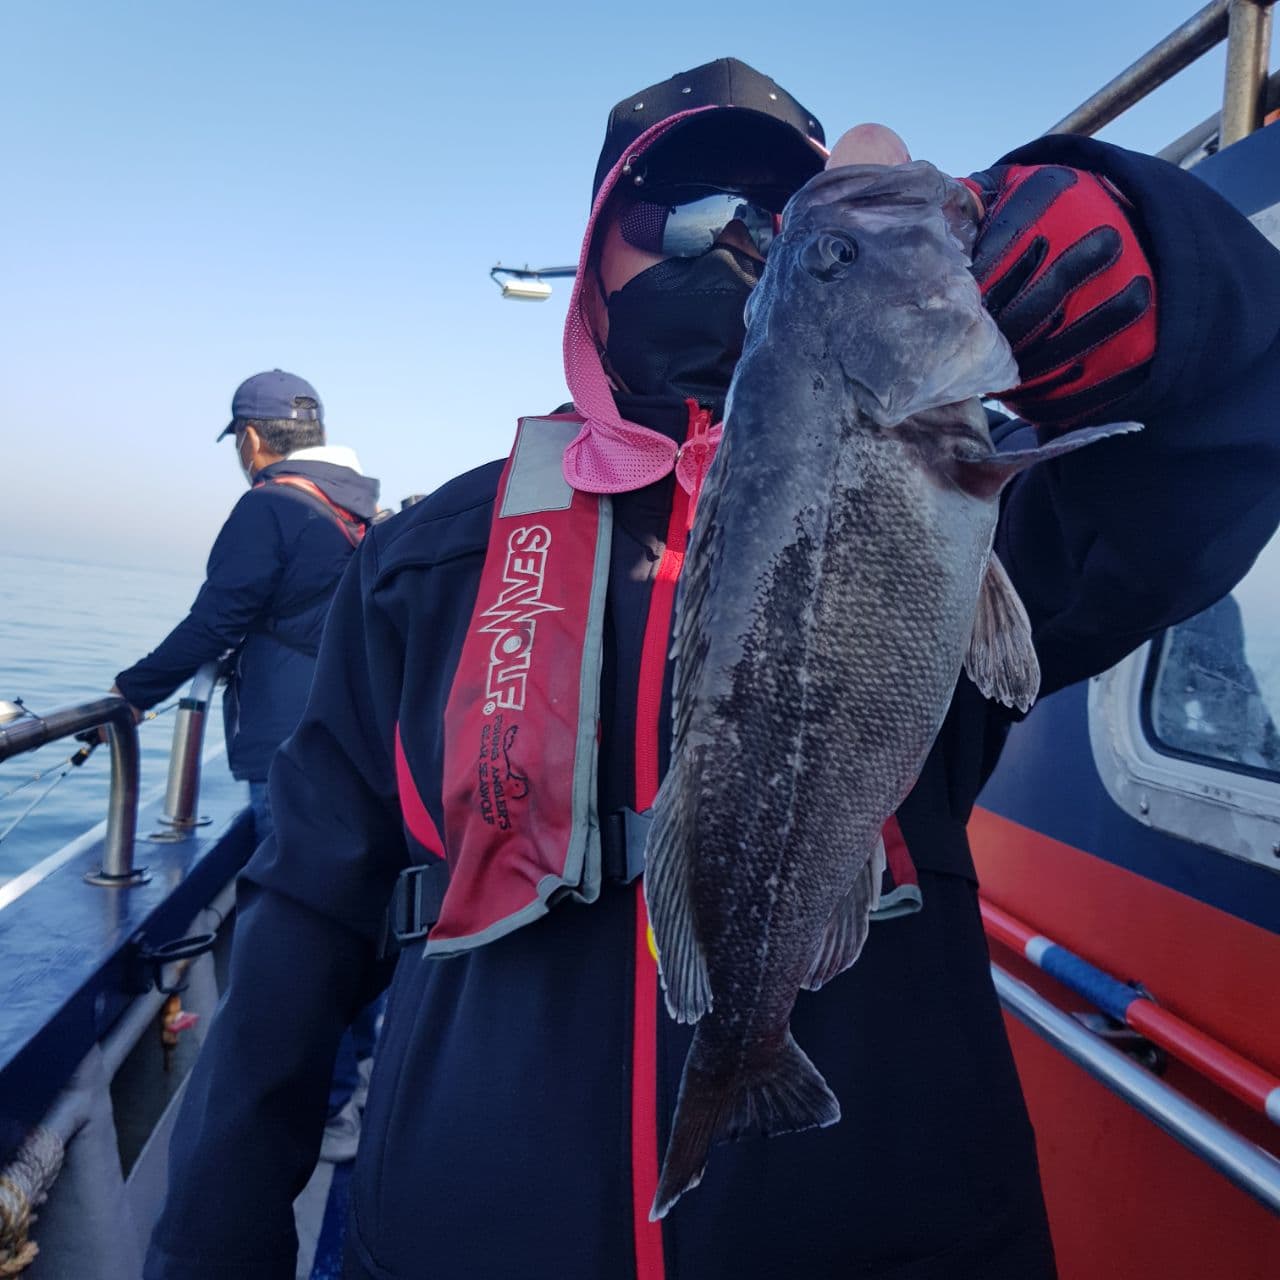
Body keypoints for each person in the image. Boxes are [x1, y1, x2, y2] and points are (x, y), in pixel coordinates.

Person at [144, 60, 1280, 1280]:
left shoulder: (972, 487)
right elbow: (305, 916)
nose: (721, 236)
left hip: (886, 1236)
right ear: (592, 265)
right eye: (670, 206)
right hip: (460, 1231)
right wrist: (212, 1235)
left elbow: (1219, 444)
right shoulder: (427, 558)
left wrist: (1156, 248)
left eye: (763, 215)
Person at [113, 369, 379, 840]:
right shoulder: (356, 510)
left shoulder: (270, 506)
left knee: (294, 892)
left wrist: (131, 693)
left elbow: (215, 623)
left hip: (288, 743)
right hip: (349, 731)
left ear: (250, 438)